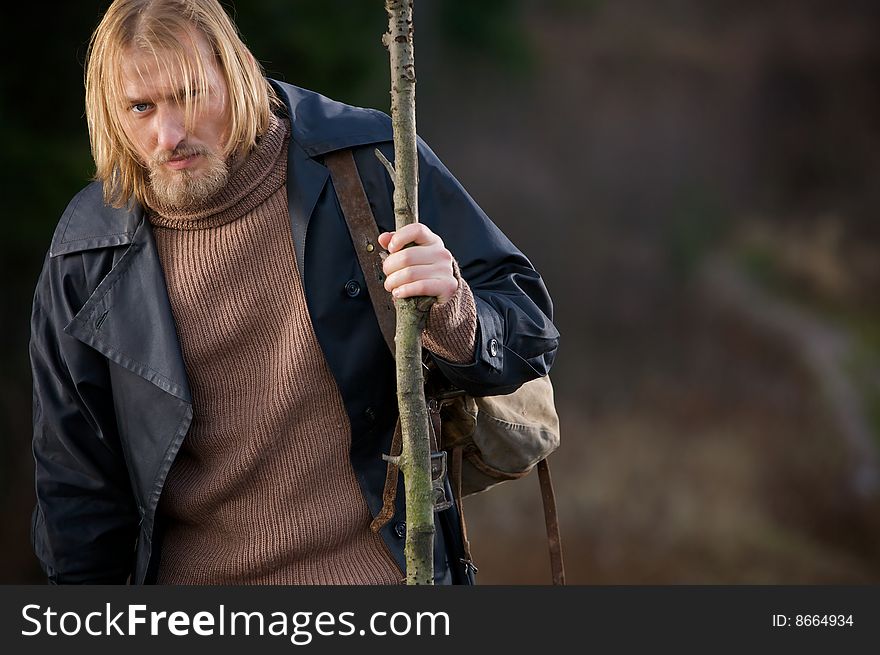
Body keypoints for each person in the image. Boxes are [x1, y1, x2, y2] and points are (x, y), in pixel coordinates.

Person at [29, 0, 558, 585]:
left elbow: (529, 329)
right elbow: (76, 494)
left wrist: (453, 313)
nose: (169, 134)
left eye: (191, 94)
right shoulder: (85, 252)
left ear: (238, 72)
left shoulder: (371, 160)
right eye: (141, 107)